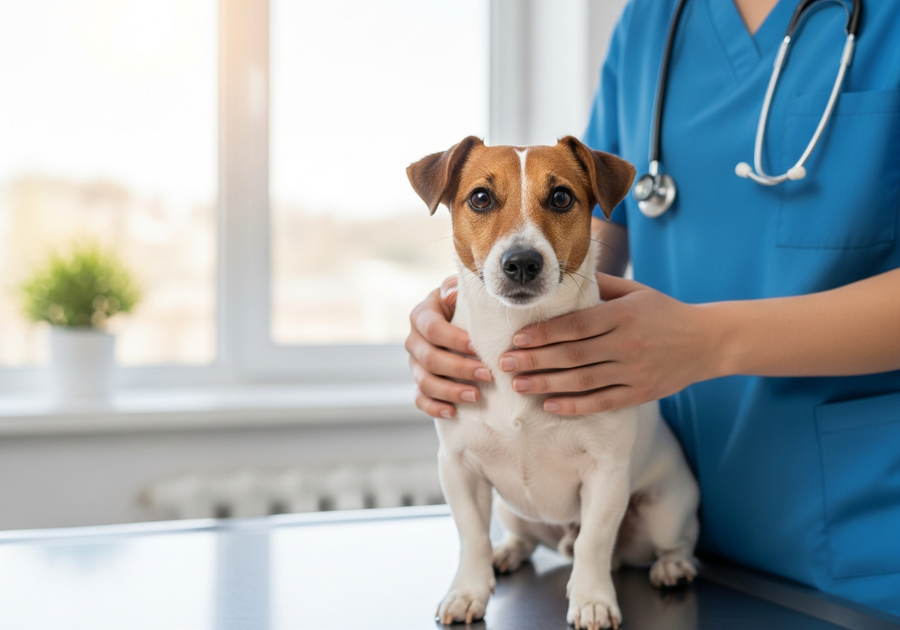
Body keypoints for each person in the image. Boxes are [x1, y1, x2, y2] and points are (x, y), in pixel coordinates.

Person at [405, 0, 900, 617]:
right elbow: (587, 244)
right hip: (650, 532)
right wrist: (464, 325)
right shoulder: (653, 20)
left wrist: (706, 341)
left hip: (856, 544)